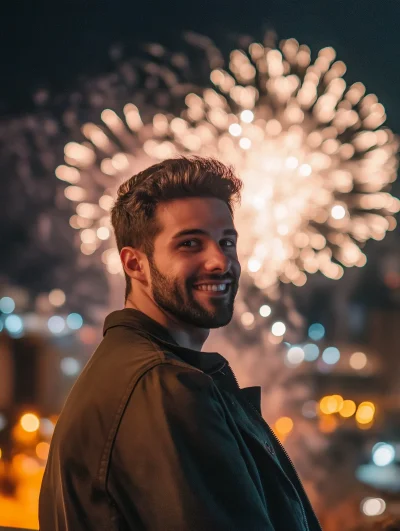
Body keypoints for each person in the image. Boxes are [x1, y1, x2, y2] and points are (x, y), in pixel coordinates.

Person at [39, 156, 322, 530]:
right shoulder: (162, 387)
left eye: (227, 241)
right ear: (135, 264)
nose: (220, 262)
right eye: (190, 244)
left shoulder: (132, 371)